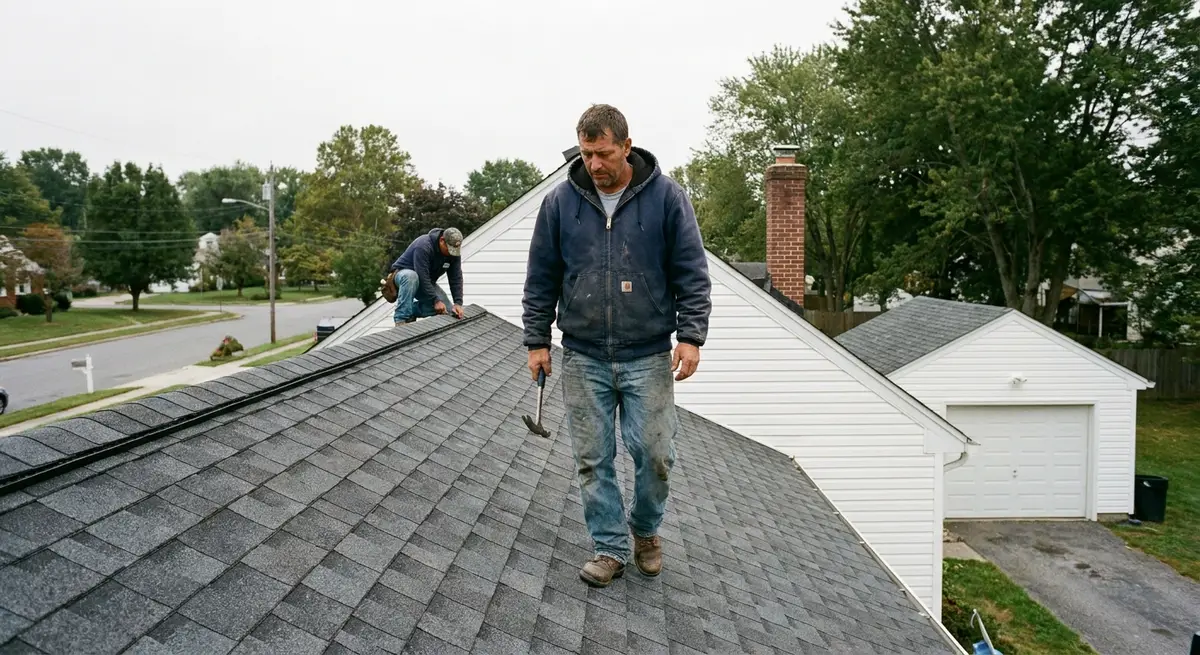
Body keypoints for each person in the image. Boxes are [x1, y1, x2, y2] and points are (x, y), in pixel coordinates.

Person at [521, 104, 712, 587]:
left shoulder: (667, 199)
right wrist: (536, 340)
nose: (595, 165)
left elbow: (691, 272)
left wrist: (690, 336)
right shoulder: (560, 204)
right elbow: (541, 277)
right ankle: (609, 547)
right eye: (586, 154)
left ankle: (645, 530)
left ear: (626, 146)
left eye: (603, 153)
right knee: (593, 458)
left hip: (648, 354)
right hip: (582, 354)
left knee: (655, 453)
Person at [389, 227, 465, 324]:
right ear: (442, 240)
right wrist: (435, 300)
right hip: (403, 276)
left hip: (426, 281)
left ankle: (411, 310)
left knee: (448, 311)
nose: (451, 253)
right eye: (449, 249)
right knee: (411, 277)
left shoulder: (454, 253)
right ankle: (401, 319)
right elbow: (422, 275)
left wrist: (458, 303)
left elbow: (456, 277)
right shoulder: (423, 246)